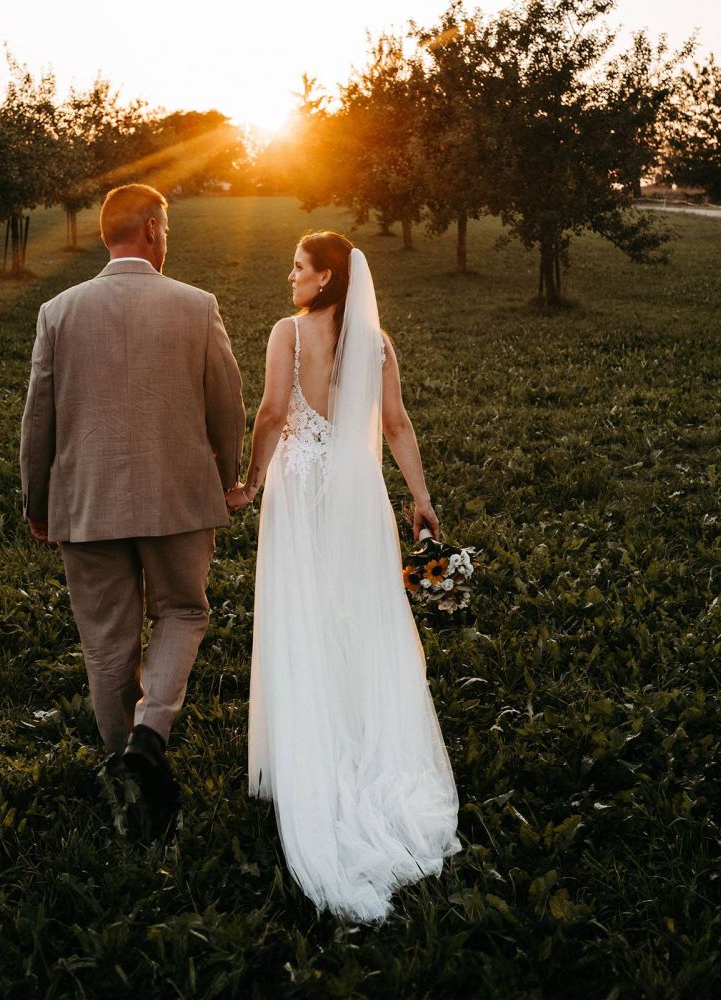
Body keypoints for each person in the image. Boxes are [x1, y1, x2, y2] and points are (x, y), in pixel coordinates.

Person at [242, 231, 461, 921]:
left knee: (303, 614)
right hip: (360, 490)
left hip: (303, 488)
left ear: (326, 276)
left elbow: (275, 412)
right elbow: (395, 425)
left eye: (299, 267)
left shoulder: (289, 334)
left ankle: (317, 743)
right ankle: (366, 739)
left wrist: (249, 481)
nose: (289, 276)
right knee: (361, 614)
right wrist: (421, 498)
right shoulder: (376, 341)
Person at [19, 183, 248, 840]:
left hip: (86, 503)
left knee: (106, 642)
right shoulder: (195, 306)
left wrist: (38, 501)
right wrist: (223, 475)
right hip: (179, 497)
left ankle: (127, 775)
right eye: (167, 227)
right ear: (151, 228)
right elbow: (226, 404)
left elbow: (39, 420)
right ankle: (149, 739)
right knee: (182, 609)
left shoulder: (58, 311)